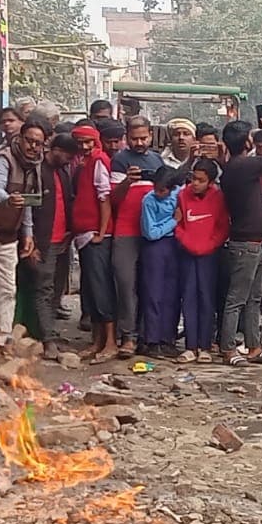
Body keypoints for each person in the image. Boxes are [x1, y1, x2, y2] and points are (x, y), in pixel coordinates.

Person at [218, 117, 262, 367]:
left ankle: (254, 346)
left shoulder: (236, 166)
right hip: (246, 243)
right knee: (237, 299)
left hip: (254, 241)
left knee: (254, 298)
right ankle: (228, 348)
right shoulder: (242, 166)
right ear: (247, 142)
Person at [0, 119, 43, 358]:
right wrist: (7, 199)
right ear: (20, 139)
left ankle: (4, 337)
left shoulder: (34, 166)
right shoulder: (3, 159)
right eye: (29, 141)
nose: (33, 146)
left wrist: (28, 233)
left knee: (7, 286)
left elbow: (27, 202)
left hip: (9, 232)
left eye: (38, 143)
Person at [16, 132, 77, 360]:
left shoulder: (63, 171)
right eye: (67, 155)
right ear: (55, 150)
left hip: (63, 240)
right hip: (43, 241)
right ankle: (47, 339)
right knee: (44, 289)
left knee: (56, 290)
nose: (69, 160)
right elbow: (27, 209)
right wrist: (30, 241)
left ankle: (50, 333)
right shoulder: (37, 171)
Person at [110, 115, 166, 358]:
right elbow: (113, 199)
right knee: (125, 285)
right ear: (127, 138)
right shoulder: (119, 160)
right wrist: (126, 182)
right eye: (135, 139)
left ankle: (148, 336)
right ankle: (128, 337)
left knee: (150, 286)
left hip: (153, 232)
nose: (140, 143)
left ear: (151, 136)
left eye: (143, 138)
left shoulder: (157, 160)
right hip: (125, 231)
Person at [70, 123, 117, 362]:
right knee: (90, 289)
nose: (85, 147)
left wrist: (101, 231)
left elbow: (104, 198)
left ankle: (110, 342)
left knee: (100, 289)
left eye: (89, 142)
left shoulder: (98, 161)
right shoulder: (84, 162)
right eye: (81, 143)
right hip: (84, 234)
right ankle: (97, 341)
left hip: (95, 234)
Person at [175, 158, 228, 364]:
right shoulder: (182, 195)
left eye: (200, 180)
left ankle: (205, 346)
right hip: (187, 253)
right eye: (193, 178)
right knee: (188, 298)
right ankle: (190, 346)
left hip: (209, 255)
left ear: (211, 182)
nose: (195, 183)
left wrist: (210, 245)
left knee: (207, 299)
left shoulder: (218, 198)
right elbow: (177, 224)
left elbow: (222, 227)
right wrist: (187, 242)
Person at [139, 168, 182, 357]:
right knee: (153, 294)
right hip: (155, 247)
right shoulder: (149, 200)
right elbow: (151, 232)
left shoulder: (178, 195)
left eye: (162, 190)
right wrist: (173, 222)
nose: (158, 193)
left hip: (175, 246)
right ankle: (152, 339)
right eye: (156, 188)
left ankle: (168, 338)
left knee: (172, 295)